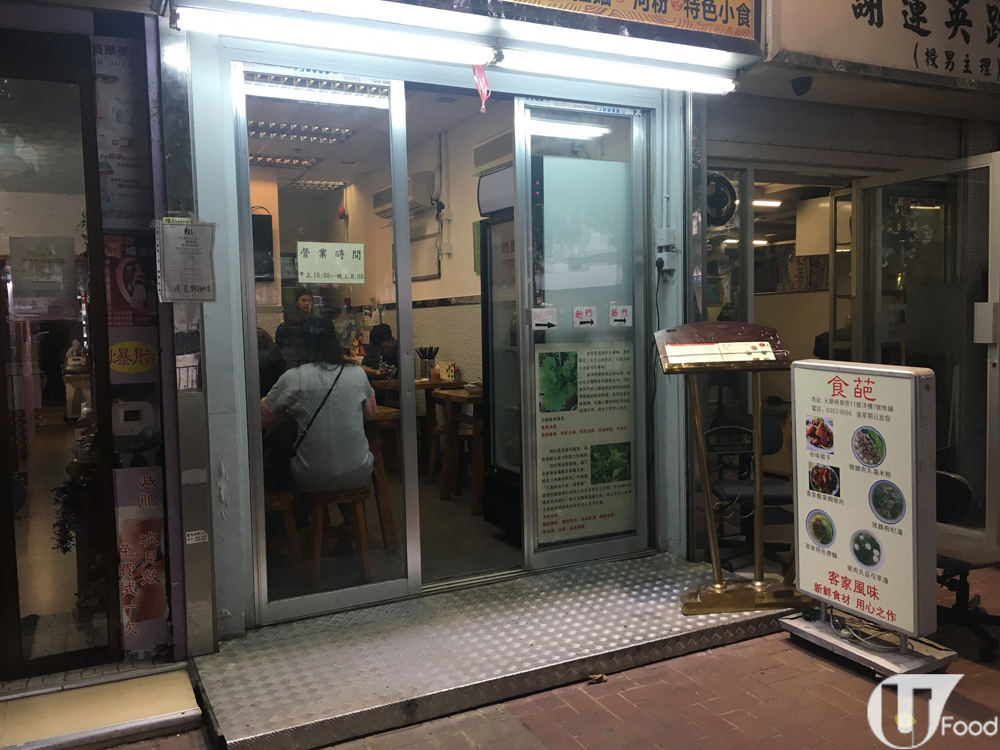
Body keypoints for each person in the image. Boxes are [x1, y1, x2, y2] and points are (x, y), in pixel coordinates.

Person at [261, 320, 376, 494]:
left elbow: (263, 418)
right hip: (359, 474)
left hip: (311, 478)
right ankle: (346, 512)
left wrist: (289, 411)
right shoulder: (358, 373)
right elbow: (370, 414)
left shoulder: (294, 377)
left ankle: (296, 510)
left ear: (302, 347)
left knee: (277, 449)